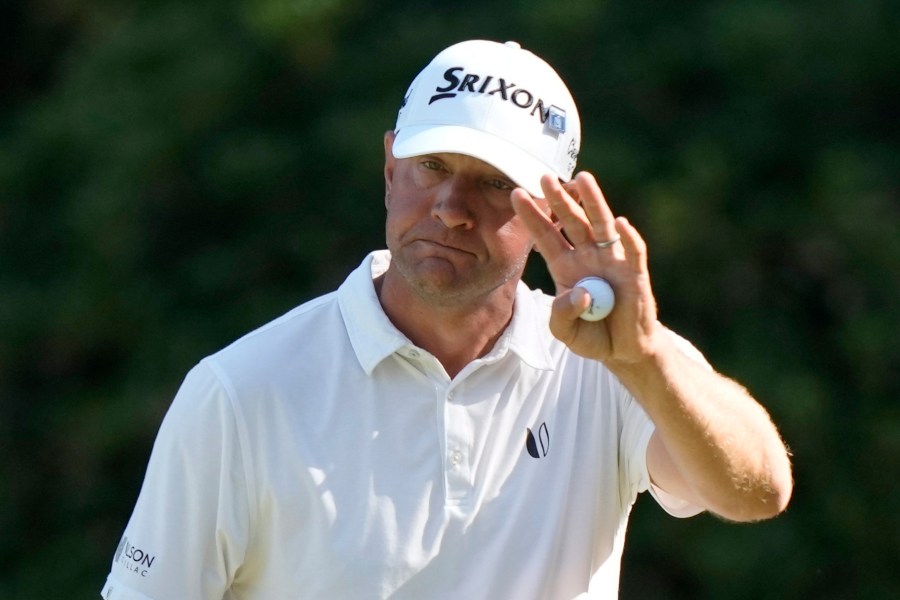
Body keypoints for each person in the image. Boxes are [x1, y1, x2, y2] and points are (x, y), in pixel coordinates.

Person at [101, 39, 792, 599]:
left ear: (551, 211)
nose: (451, 206)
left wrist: (644, 360)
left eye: (494, 182)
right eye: (431, 165)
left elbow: (755, 490)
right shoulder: (239, 392)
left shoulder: (615, 363)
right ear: (389, 169)